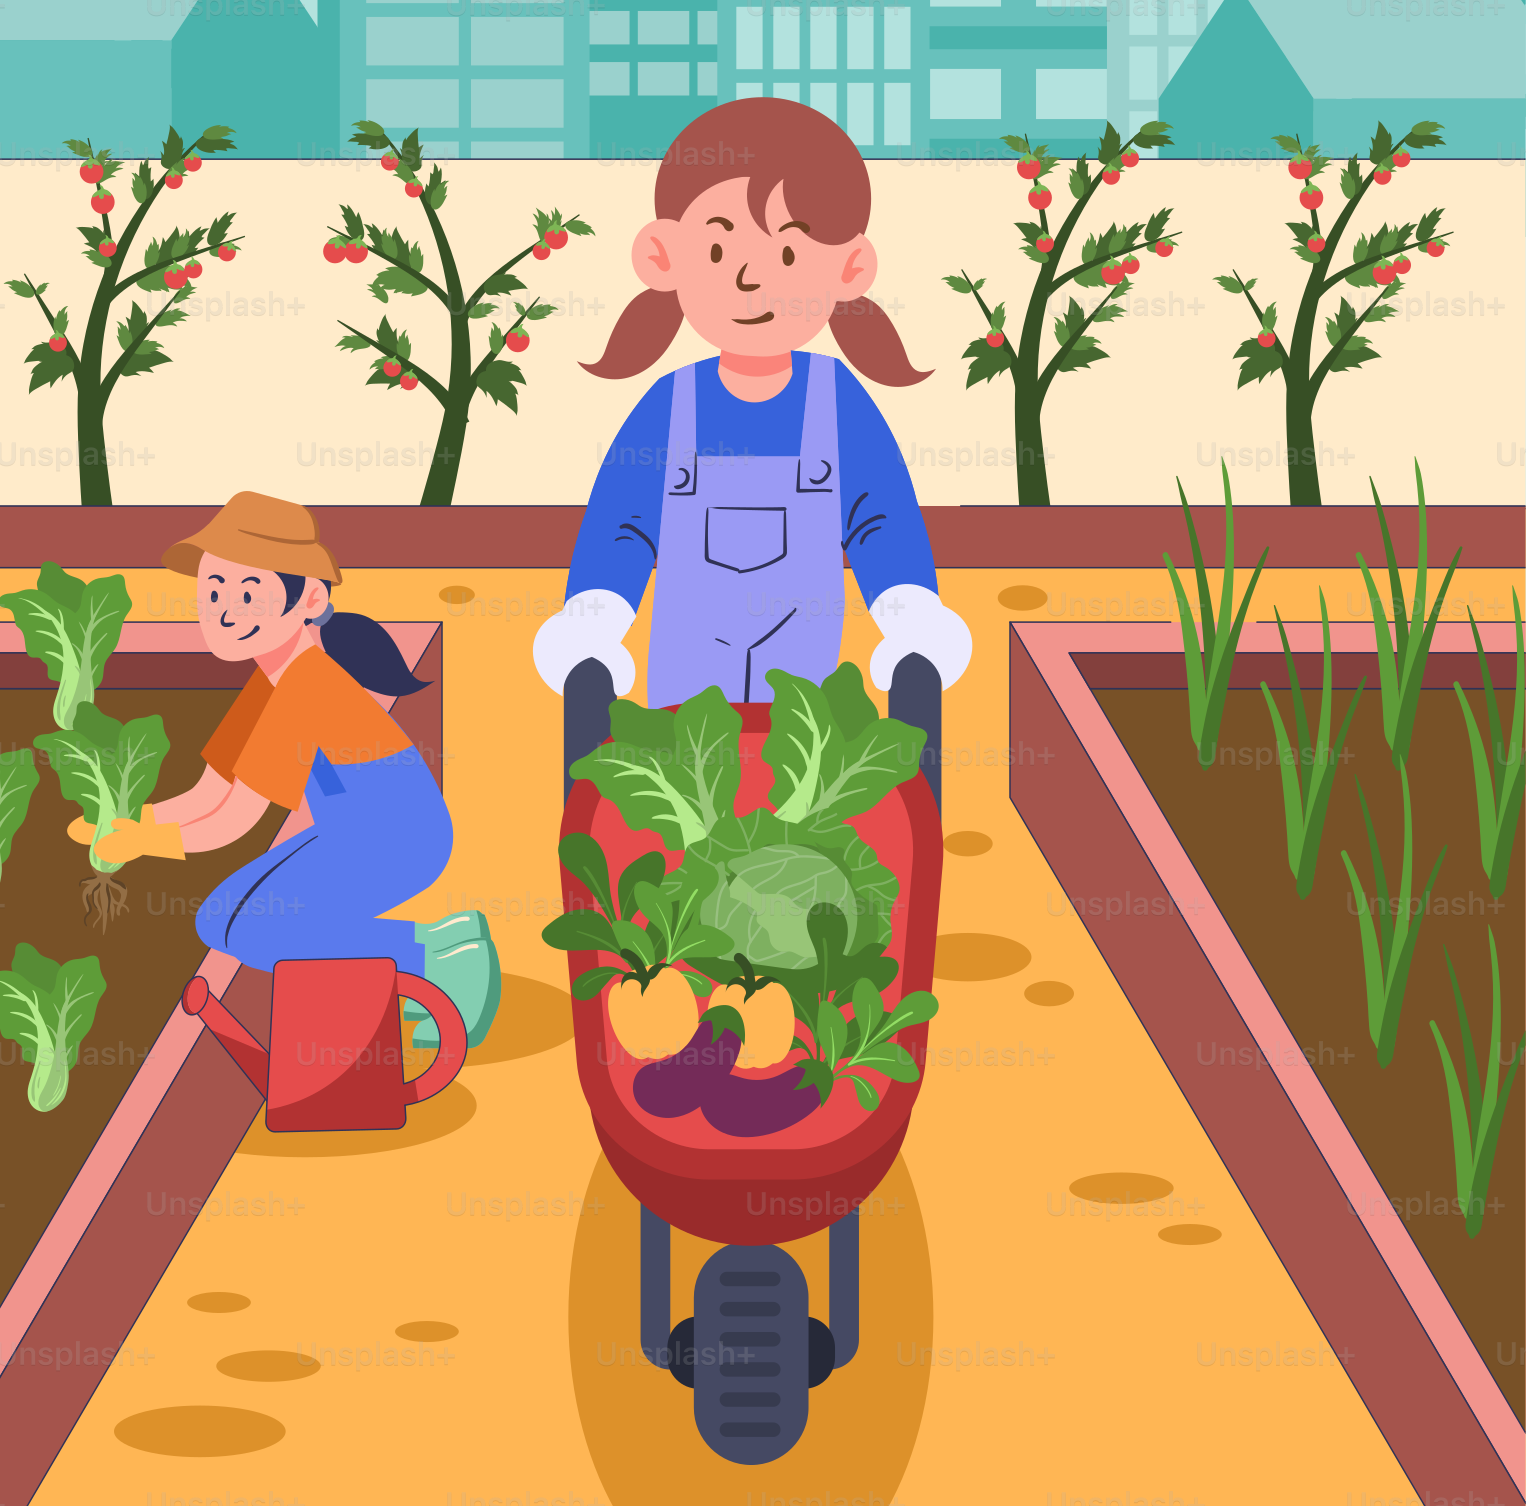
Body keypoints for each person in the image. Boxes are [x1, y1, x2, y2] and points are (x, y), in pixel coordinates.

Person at [533, 99, 972, 707]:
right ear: (664, 255)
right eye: (718, 251)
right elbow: (622, 528)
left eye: (788, 254)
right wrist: (593, 630)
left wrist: (911, 626)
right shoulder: (668, 405)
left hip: (805, 707)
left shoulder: (840, 403)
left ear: (849, 267)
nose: (749, 279)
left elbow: (881, 522)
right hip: (683, 708)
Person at [65, 491, 499, 1048]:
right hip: (351, 834)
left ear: (310, 598)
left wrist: (148, 842)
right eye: (212, 591)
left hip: (399, 841)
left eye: (249, 594)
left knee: (256, 932)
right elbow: (210, 793)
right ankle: (443, 939)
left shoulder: (307, 684)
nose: (225, 611)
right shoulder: (269, 680)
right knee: (219, 921)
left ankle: (438, 965)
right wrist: (136, 821)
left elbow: (237, 818)